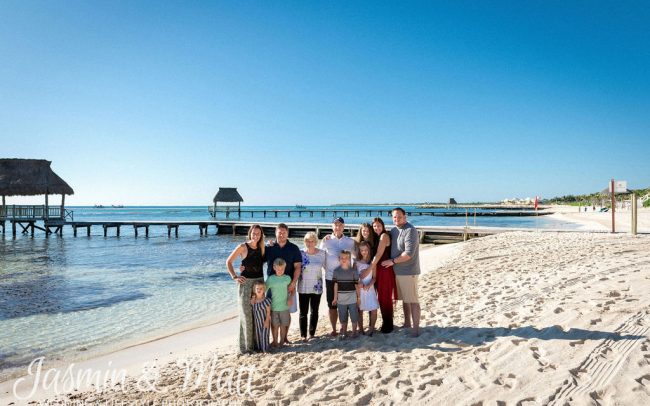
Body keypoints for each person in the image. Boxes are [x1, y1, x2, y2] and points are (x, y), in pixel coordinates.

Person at [226, 224, 266, 354]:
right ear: (250, 233)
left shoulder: (262, 247)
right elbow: (229, 262)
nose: (256, 236)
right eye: (254, 233)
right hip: (246, 283)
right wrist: (234, 276)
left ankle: (256, 345)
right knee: (246, 315)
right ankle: (245, 348)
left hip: (259, 284)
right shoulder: (243, 247)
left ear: (261, 235)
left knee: (257, 315)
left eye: (258, 234)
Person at [382, 207, 421, 337]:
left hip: (408, 271)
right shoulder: (393, 230)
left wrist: (392, 261)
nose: (396, 219)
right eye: (394, 217)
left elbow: (408, 254)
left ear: (405, 217)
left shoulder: (410, 230)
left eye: (399, 216)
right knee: (405, 299)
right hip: (396, 272)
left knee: (413, 300)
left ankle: (415, 329)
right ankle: (407, 323)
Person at [263, 223, 302, 343]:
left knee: (286, 312)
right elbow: (257, 259)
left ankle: (284, 338)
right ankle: (274, 339)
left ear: (287, 233)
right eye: (279, 232)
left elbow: (298, 267)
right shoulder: (269, 247)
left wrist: (293, 283)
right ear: (275, 233)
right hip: (272, 285)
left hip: (287, 285)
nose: (281, 234)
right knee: (271, 312)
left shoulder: (294, 248)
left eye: (284, 232)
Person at [319, 217, 356, 336]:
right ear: (332, 227)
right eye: (335, 225)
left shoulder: (350, 241)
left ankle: (343, 327)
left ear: (343, 226)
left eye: (340, 225)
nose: (338, 227)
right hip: (330, 277)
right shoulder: (326, 241)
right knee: (332, 304)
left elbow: (357, 256)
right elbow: (320, 256)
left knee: (345, 303)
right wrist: (327, 269)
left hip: (346, 278)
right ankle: (334, 329)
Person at [371, 217, 397, 334]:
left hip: (384, 269)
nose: (377, 228)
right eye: (374, 226)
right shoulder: (377, 236)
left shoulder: (383, 236)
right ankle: (387, 322)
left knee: (384, 298)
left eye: (379, 226)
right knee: (382, 297)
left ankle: (388, 325)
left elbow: (378, 255)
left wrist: (369, 269)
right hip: (380, 269)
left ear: (383, 226)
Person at [298, 231, 326, 341]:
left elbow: (328, 267)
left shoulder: (322, 253)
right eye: (307, 241)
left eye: (312, 241)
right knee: (303, 312)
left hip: (316, 287)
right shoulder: (300, 253)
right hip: (303, 287)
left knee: (315, 311)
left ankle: (312, 333)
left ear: (315, 242)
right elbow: (293, 267)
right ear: (305, 242)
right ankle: (303, 335)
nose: (310, 243)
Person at [332, 250, 360, 338]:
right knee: (342, 316)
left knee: (354, 315)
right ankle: (344, 332)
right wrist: (335, 298)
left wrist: (359, 297)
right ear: (339, 259)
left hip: (352, 297)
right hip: (341, 298)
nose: (344, 259)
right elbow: (336, 285)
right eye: (342, 258)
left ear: (349, 259)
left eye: (346, 258)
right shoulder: (336, 271)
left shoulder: (354, 271)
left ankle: (354, 332)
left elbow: (356, 285)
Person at [266, 258, 293, 348]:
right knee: (275, 326)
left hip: (284, 307)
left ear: (285, 268)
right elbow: (263, 290)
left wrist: (290, 298)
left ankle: (282, 342)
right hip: (274, 307)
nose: (280, 271)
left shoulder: (287, 278)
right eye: (278, 269)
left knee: (283, 325)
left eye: (282, 269)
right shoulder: (270, 279)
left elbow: (292, 289)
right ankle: (275, 342)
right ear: (274, 267)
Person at [356, 241, 379, 335]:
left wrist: (369, 285)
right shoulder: (356, 262)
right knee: (359, 310)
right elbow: (354, 276)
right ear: (359, 251)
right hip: (360, 289)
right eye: (362, 250)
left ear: (369, 250)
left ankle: (371, 328)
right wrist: (359, 282)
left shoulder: (373, 263)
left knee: (373, 309)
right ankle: (360, 329)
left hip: (370, 289)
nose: (364, 252)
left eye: (366, 250)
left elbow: (374, 277)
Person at [250, 281, 271, 353]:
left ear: (264, 290)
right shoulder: (253, 301)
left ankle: (265, 349)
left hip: (265, 321)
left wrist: (267, 321)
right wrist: (253, 297)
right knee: (258, 335)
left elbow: (268, 312)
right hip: (257, 322)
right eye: (257, 289)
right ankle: (260, 348)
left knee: (264, 335)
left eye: (261, 289)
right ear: (254, 290)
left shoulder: (266, 300)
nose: (259, 290)